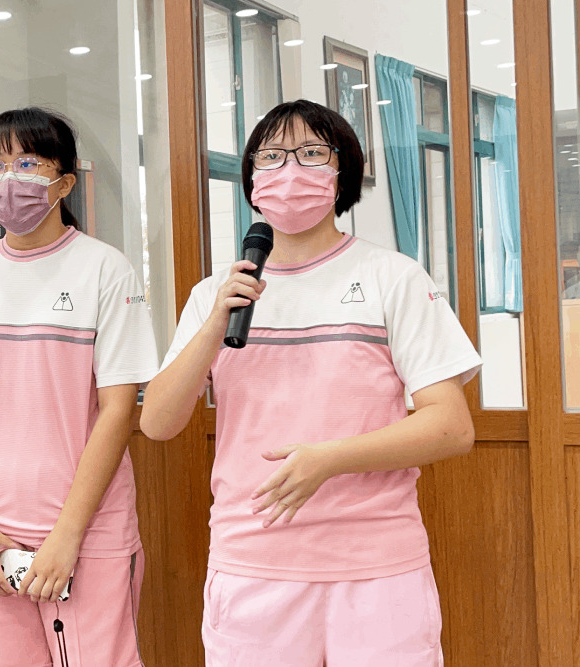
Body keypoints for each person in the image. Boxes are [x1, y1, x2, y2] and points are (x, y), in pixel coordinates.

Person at [140, 99, 481, 666]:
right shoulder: (214, 295)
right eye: (272, 156)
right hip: (252, 565)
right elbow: (157, 423)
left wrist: (329, 460)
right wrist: (212, 328)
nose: (289, 170)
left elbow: (451, 427)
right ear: (251, 179)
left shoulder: (390, 277)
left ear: (340, 172)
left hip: (375, 567)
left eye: (310, 154)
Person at [0, 107, 158, 667]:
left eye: (26, 163)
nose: (7, 179)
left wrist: (67, 537)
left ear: (64, 182)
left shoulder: (106, 271)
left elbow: (118, 409)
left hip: (88, 535)